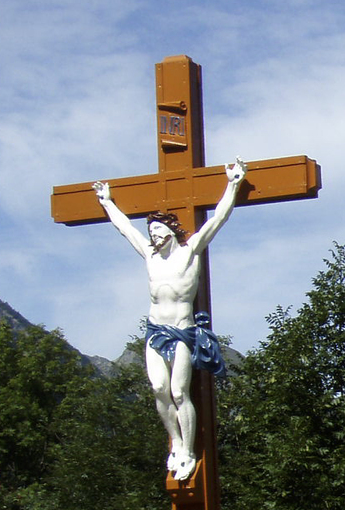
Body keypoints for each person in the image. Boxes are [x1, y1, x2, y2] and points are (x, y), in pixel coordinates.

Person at [93, 159, 246, 481]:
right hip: (154, 331)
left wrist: (232, 184)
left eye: (159, 232)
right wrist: (107, 202)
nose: (154, 237)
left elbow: (218, 219)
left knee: (179, 392)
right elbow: (125, 229)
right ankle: (175, 442)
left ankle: (188, 451)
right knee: (159, 389)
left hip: (181, 332)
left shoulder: (190, 252)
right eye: (151, 233)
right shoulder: (150, 255)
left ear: (171, 231)